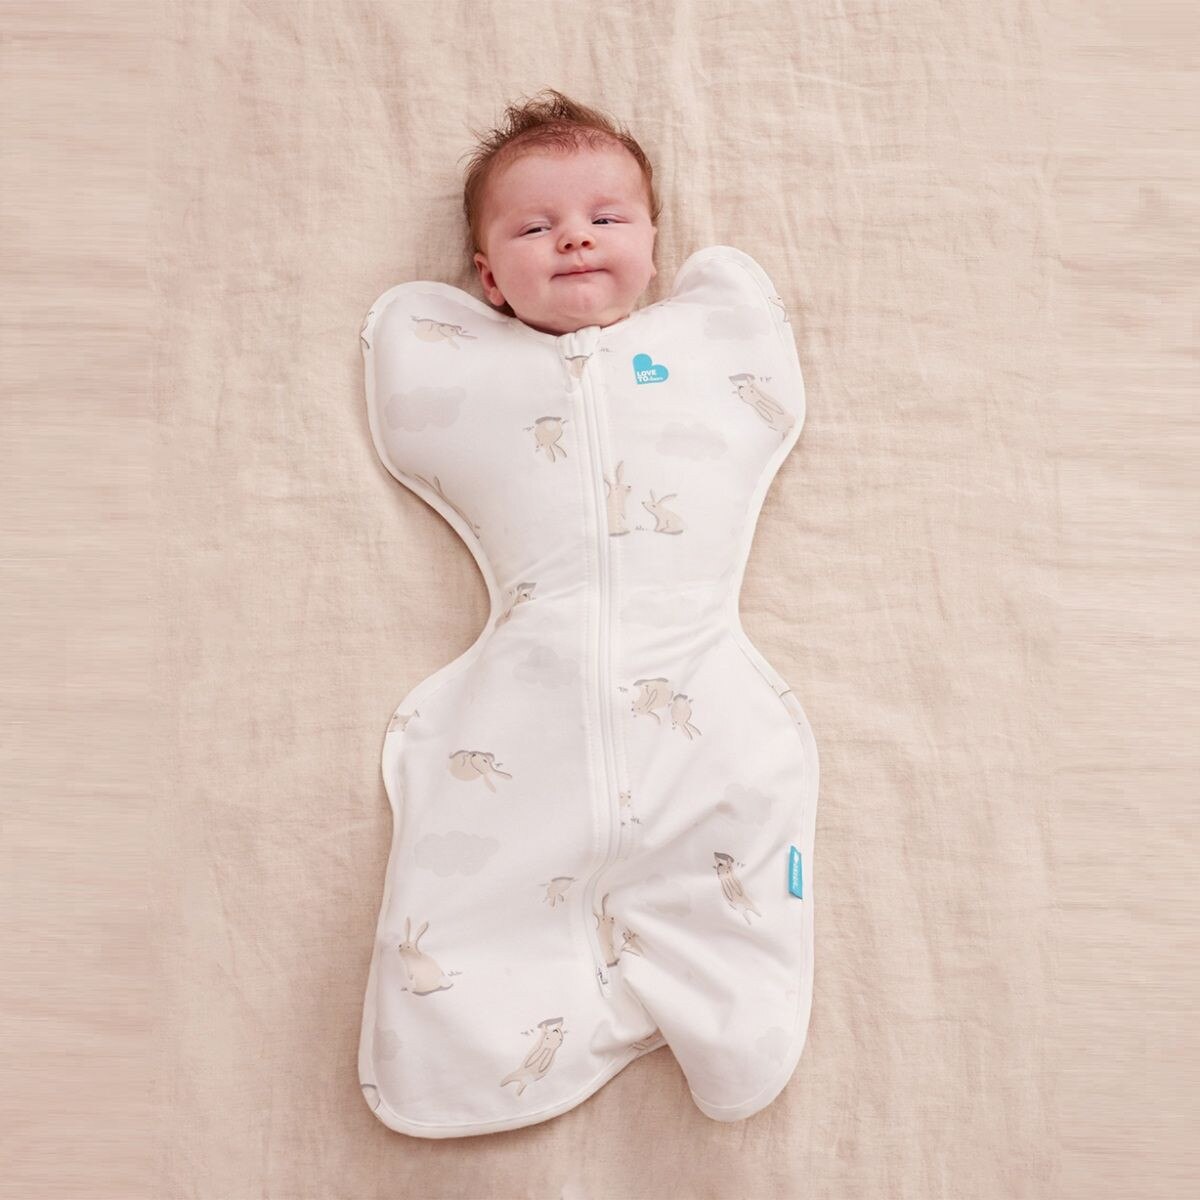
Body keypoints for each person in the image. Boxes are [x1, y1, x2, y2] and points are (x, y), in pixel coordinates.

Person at [460, 89, 662, 336]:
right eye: (536, 229)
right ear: (491, 278)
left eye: (604, 220)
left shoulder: (686, 328)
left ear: (650, 249)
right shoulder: (463, 346)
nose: (576, 238)